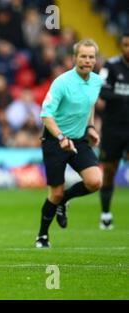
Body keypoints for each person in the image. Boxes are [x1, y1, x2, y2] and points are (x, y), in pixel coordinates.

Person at [35, 39, 103, 248]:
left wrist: (90, 127)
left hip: (79, 139)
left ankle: (64, 201)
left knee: (95, 181)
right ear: (75, 58)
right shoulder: (62, 82)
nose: (87, 61)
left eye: (91, 57)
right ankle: (42, 236)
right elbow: (45, 114)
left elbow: (88, 105)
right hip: (55, 140)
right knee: (54, 192)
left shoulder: (96, 81)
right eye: (83, 56)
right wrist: (61, 138)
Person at [98, 32, 129, 230]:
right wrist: (123, 96)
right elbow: (101, 90)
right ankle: (106, 214)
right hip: (113, 128)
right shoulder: (110, 66)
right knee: (109, 171)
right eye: (126, 44)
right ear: (121, 46)